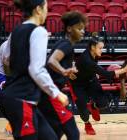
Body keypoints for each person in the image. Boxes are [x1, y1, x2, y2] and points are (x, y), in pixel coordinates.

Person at [0, 0, 68, 140]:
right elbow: (37, 70)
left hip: (11, 97)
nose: (47, 12)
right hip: (22, 99)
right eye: (46, 8)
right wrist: (56, 93)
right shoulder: (39, 31)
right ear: (38, 9)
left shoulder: (16, 30)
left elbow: (6, 58)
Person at [69, 36, 127, 135]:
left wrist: (93, 72)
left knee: (104, 103)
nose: (102, 50)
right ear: (93, 47)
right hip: (78, 85)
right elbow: (107, 74)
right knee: (83, 111)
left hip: (91, 80)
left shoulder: (94, 54)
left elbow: (91, 68)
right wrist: (124, 69)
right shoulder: (86, 59)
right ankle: (87, 124)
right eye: (100, 48)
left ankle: (93, 106)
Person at [38, 11, 87, 140]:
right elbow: (52, 61)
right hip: (50, 93)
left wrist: (67, 72)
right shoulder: (66, 45)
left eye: (84, 29)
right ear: (69, 29)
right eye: (79, 28)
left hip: (47, 92)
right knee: (73, 132)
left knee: (56, 133)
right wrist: (63, 71)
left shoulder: (63, 43)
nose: (83, 32)